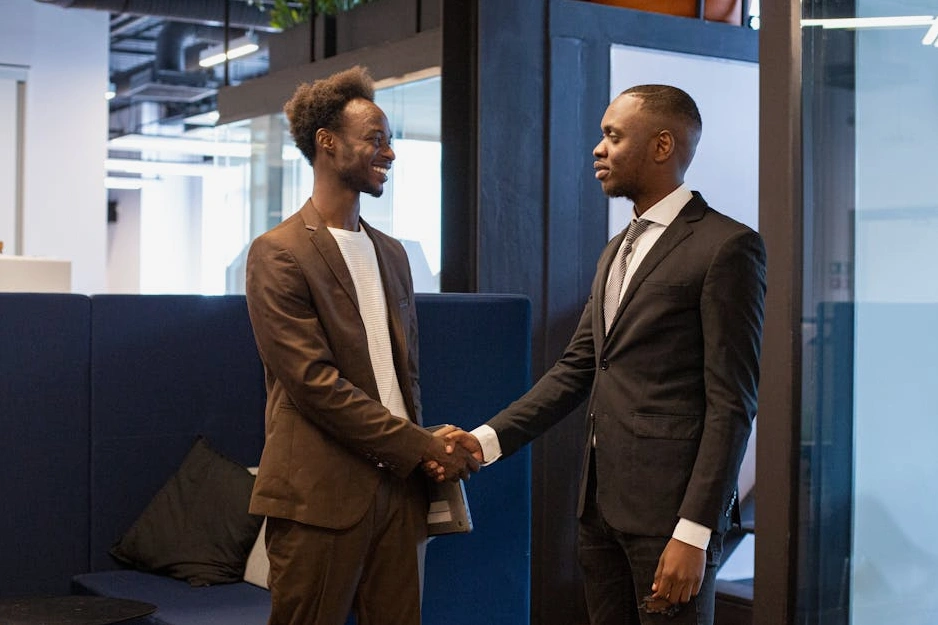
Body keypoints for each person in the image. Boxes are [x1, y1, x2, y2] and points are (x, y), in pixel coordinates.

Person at [432, 84, 766, 625]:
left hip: (670, 523)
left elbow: (732, 404)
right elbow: (577, 370)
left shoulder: (727, 247)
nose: (598, 148)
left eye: (613, 135)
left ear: (661, 146)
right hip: (598, 512)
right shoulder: (618, 248)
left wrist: (695, 532)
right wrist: (481, 442)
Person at [244, 65, 477, 625]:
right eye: (376, 139)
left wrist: (423, 448)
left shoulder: (392, 253)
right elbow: (314, 386)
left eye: (390, 140)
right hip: (319, 499)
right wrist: (420, 443)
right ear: (327, 143)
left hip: (400, 492)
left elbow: (401, 380)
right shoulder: (277, 252)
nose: (390, 152)